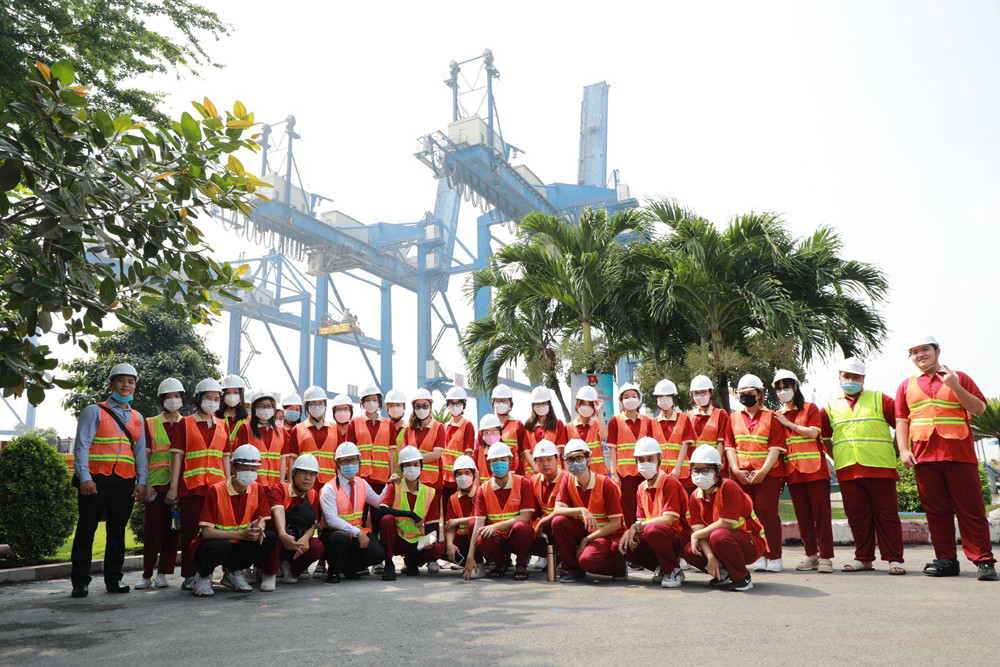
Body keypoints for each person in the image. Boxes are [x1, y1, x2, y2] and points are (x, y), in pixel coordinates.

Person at [895, 335, 996, 581]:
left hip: (959, 455)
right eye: (914, 352)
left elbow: (979, 409)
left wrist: (955, 386)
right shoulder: (906, 385)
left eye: (925, 349)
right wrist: (904, 450)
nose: (920, 355)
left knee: (971, 510)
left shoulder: (959, 377)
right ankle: (946, 560)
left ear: (937, 351)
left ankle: (983, 560)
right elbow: (902, 421)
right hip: (924, 457)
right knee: (936, 511)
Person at [70, 362, 148, 598]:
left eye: (131, 381)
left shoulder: (137, 417)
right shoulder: (94, 411)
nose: (126, 385)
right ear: (111, 384)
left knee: (117, 532)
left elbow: (140, 452)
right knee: (86, 529)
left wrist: (141, 481)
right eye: (121, 380)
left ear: (135, 386)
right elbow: (82, 445)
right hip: (96, 479)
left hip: (125, 481)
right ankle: (80, 582)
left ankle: (114, 579)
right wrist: (84, 477)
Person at [821, 357, 905, 574]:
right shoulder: (830, 406)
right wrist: (837, 456)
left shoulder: (880, 399)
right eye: (846, 376)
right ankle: (864, 558)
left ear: (863, 379)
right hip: (848, 470)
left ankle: (894, 559)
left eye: (855, 377)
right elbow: (824, 437)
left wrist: (898, 450)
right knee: (857, 518)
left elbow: (902, 424)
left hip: (881, 468)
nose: (850, 380)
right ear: (839, 377)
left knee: (887, 516)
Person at [190, 444, 276, 597]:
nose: (249, 473)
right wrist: (240, 535)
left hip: (239, 545)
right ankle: (203, 576)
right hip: (211, 545)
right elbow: (207, 532)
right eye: (244, 468)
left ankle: (234, 572)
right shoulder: (216, 490)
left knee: (269, 538)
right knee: (221, 546)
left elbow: (262, 517)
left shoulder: (257, 489)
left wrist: (259, 528)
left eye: (253, 469)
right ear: (234, 468)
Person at [771, 370, 834, 574]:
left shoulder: (809, 408)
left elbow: (813, 432)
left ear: (795, 387)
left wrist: (788, 424)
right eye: (779, 389)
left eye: (786, 387)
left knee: (821, 516)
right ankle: (811, 556)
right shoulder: (777, 414)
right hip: (793, 472)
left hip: (815, 471)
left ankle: (826, 557)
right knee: (803, 517)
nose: (782, 392)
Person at [170, 378, 229, 589]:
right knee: (191, 532)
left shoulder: (222, 425)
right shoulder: (184, 424)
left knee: (215, 533)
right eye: (208, 398)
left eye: (216, 399)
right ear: (198, 399)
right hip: (191, 487)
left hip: (216, 489)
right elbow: (177, 457)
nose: (212, 402)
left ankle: (206, 573)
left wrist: (229, 486)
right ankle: (189, 575)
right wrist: (173, 488)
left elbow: (225, 458)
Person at [681, 445, 767, 592]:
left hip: (750, 542)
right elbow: (699, 531)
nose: (699, 474)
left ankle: (742, 578)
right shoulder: (695, 496)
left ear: (717, 469)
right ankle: (723, 574)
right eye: (695, 470)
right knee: (689, 550)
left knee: (718, 536)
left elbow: (726, 523)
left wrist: (696, 534)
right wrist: (710, 557)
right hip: (721, 541)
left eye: (705, 470)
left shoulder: (729, 487)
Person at [727, 374, 787, 572]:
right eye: (742, 393)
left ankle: (774, 556)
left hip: (768, 473)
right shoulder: (733, 418)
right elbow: (730, 446)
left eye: (750, 392)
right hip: (742, 474)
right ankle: (758, 554)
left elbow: (775, 447)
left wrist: (762, 471)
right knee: (747, 515)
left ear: (759, 394)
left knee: (767, 513)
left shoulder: (772, 416)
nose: (746, 396)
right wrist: (736, 470)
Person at [617, 436, 691, 588]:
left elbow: (668, 520)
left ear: (659, 460)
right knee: (621, 545)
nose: (645, 463)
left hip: (678, 536)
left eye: (650, 459)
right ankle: (662, 565)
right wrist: (631, 533)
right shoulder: (641, 488)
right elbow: (642, 522)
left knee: (652, 530)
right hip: (657, 536)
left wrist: (635, 526)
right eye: (641, 460)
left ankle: (673, 570)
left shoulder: (669, 483)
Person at [550, 439, 626, 582]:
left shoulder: (606, 484)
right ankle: (573, 569)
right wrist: (581, 510)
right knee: (558, 522)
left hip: (606, 534)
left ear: (588, 460)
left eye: (579, 458)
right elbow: (557, 509)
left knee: (588, 561)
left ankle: (617, 566)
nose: (575, 463)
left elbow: (616, 523)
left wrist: (587, 540)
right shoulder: (567, 480)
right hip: (585, 528)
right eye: (570, 459)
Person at [136, 377, 185, 590]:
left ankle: (163, 574)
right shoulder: (150, 423)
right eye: (168, 396)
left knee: (174, 532)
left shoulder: (187, 423)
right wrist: (145, 483)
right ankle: (146, 574)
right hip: (156, 486)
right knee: (152, 531)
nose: (173, 400)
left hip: (179, 487)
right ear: (161, 399)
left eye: (177, 396)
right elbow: (145, 456)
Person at [463, 443, 536, 580]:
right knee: (481, 537)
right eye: (495, 460)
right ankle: (500, 563)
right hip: (497, 538)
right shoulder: (483, 489)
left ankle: (521, 564)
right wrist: (470, 555)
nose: (499, 463)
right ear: (489, 464)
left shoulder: (523, 483)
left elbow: (525, 517)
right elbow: (478, 523)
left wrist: (496, 526)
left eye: (503, 460)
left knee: (522, 527)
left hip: (517, 536)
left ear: (510, 461)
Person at [318, 442, 386, 583]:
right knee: (341, 538)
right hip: (334, 534)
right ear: (337, 464)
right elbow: (331, 520)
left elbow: (378, 502)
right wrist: (357, 532)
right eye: (345, 461)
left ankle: (349, 569)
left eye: (353, 460)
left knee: (378, 553)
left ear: (359, 462)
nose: (350, 464)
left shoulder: (362, 483)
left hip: (355, 533)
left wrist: (389, 485)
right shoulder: (329, 488)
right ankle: (334, 571)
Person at [378, 446, 445, 581]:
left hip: (416, 542)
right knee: (386, 520)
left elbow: (431, 526)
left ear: (421, 467)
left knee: (437, 550)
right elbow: (382, 510)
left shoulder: (429, 492)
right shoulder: (394, 486)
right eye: (407, 465)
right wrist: (411, 514)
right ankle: (389, 563)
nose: (412, 468)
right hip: (396, 539)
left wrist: (430, 541)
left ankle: (412, 560)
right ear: (402, 468)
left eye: (415, 464)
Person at [260, 453, 325, 590]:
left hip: (295, 542)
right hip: (278, 540)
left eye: (312, 474)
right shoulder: (280, 489)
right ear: (294, 473)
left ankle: (290, 568)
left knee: (317, 547)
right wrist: (283, 534)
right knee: (272, 535)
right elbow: (278, 512)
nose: (308, 478)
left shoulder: (313, 495)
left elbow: (313, 523)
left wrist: (306, 538)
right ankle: (268, 573)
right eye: (304, 473)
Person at [289, 386, 338, 505]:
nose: (317, 406)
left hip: (329, 483)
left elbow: (339, 460)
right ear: (307, 406)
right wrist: (291, 484)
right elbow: (293, 459)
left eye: (320, 403)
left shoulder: (335, 428)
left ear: (325, 405)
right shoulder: (298, 429)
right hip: (304, 483)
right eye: (313, 403)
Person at [650, 379, 697, 492]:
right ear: (656, 399)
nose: (664, 399)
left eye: (668, 396)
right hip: (660, 474)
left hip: (682, 474)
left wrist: (677, 468)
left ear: (673, 398)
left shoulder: (684, 418)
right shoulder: (653, 423)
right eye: (661, 396)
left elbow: (686, 445)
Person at [529, 439, 569, 571]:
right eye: (540, 460)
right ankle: (549, 556)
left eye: (549, 459)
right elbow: (533, 511)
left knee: (559, 521)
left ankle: (567, 558)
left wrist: (543, 522)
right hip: (546, 527)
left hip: (564, 526)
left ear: (557, 460)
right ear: (535, 463)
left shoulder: (568, 479)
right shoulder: (534, 481)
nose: (545, 464)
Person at [233, 391, 285, 489]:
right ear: (254, 409)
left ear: (274, 409)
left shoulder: (281, 431)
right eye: (261, 406)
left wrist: (281, 484)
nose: (265, 409)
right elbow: (238, 459)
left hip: (274, 485)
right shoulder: (245, 429)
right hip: (252, 484)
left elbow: (283, 459)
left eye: (269, 406)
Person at [353, 384, 397, 500]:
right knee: (360, 508)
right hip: (360, 476)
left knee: (379, 509)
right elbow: (351, 452)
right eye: (368, 400)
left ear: (379, 402)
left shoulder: (389, 424)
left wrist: (391, 475)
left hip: (382, 477)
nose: (371, 403)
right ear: (362, 403)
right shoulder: (354, 423)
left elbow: (391, 453)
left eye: (374, 399)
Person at [688, 374, 735, 477]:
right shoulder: (689, 416)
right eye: (696, 393)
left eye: (703, 392)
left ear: (710, 393)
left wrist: (714, 465)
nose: (699, 396)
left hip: (715, 466)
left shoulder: (720, 414)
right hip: (695, 467)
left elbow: (721, 442)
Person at [444, 455, 484, 576]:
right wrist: (449, 544)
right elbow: (450, 526)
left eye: (467, 473)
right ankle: (465, 562)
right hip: (463, 539)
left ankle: (478, 564)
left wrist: (458, 521)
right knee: (441, 549)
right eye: (459, 474)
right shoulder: (453, 498)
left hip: (480, 538)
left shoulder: (481, 492)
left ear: (473, 475)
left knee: (473, 524)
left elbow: (480, 520)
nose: (463, 476)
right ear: (455, 477)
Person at [404, 389, 445, 489]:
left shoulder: (438, 427)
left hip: (432, 482)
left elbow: (436, 454)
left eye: (425, 406)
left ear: (430, 406)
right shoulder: (409, 430)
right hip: (412, 481)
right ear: (414, 408)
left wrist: (413, 460)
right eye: (418, 406)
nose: (421, 409)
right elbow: (405, 456)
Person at [565, 385, 609, 475]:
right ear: (578, 405)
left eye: (589, 405)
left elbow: (604, 435)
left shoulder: (597, 424)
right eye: (583, 404)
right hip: (578, 474)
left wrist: (599, 411)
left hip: (598, 473)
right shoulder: (569, 427)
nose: (586, 407)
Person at [489, 385, 530, 476]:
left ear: (510, 404)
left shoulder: (518, 425)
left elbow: (524, 452)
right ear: (493, 403)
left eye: (504, 401)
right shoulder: (487, 425)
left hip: (515, 473)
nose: (501, 403)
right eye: (498, 401)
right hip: (493, 472)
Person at [526, 386, 569, 467]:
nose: (540, 406)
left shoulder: (557, 424)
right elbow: (526, 451)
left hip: (554, 469)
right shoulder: (529, 425)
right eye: (537, 404)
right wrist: (535, 466)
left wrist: (548, 463)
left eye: (543, 403)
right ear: (533, 406)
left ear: (549, 404)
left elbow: (560, 448)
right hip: (533, 470)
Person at [217, 374, 248, 467]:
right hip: (219, 465)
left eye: (235, 392)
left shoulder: (248, 419)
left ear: (241, 395)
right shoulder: (215, 417)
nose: (232, 396)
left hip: (240, 466)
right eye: (228, 393)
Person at [475, 413, 504, 484]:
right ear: (482, 434)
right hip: (483, 490)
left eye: (495, 432)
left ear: (500, 432)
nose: (491, 436)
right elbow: (476, 477)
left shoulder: (508, 450)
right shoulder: (478, 452)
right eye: (487, 432)